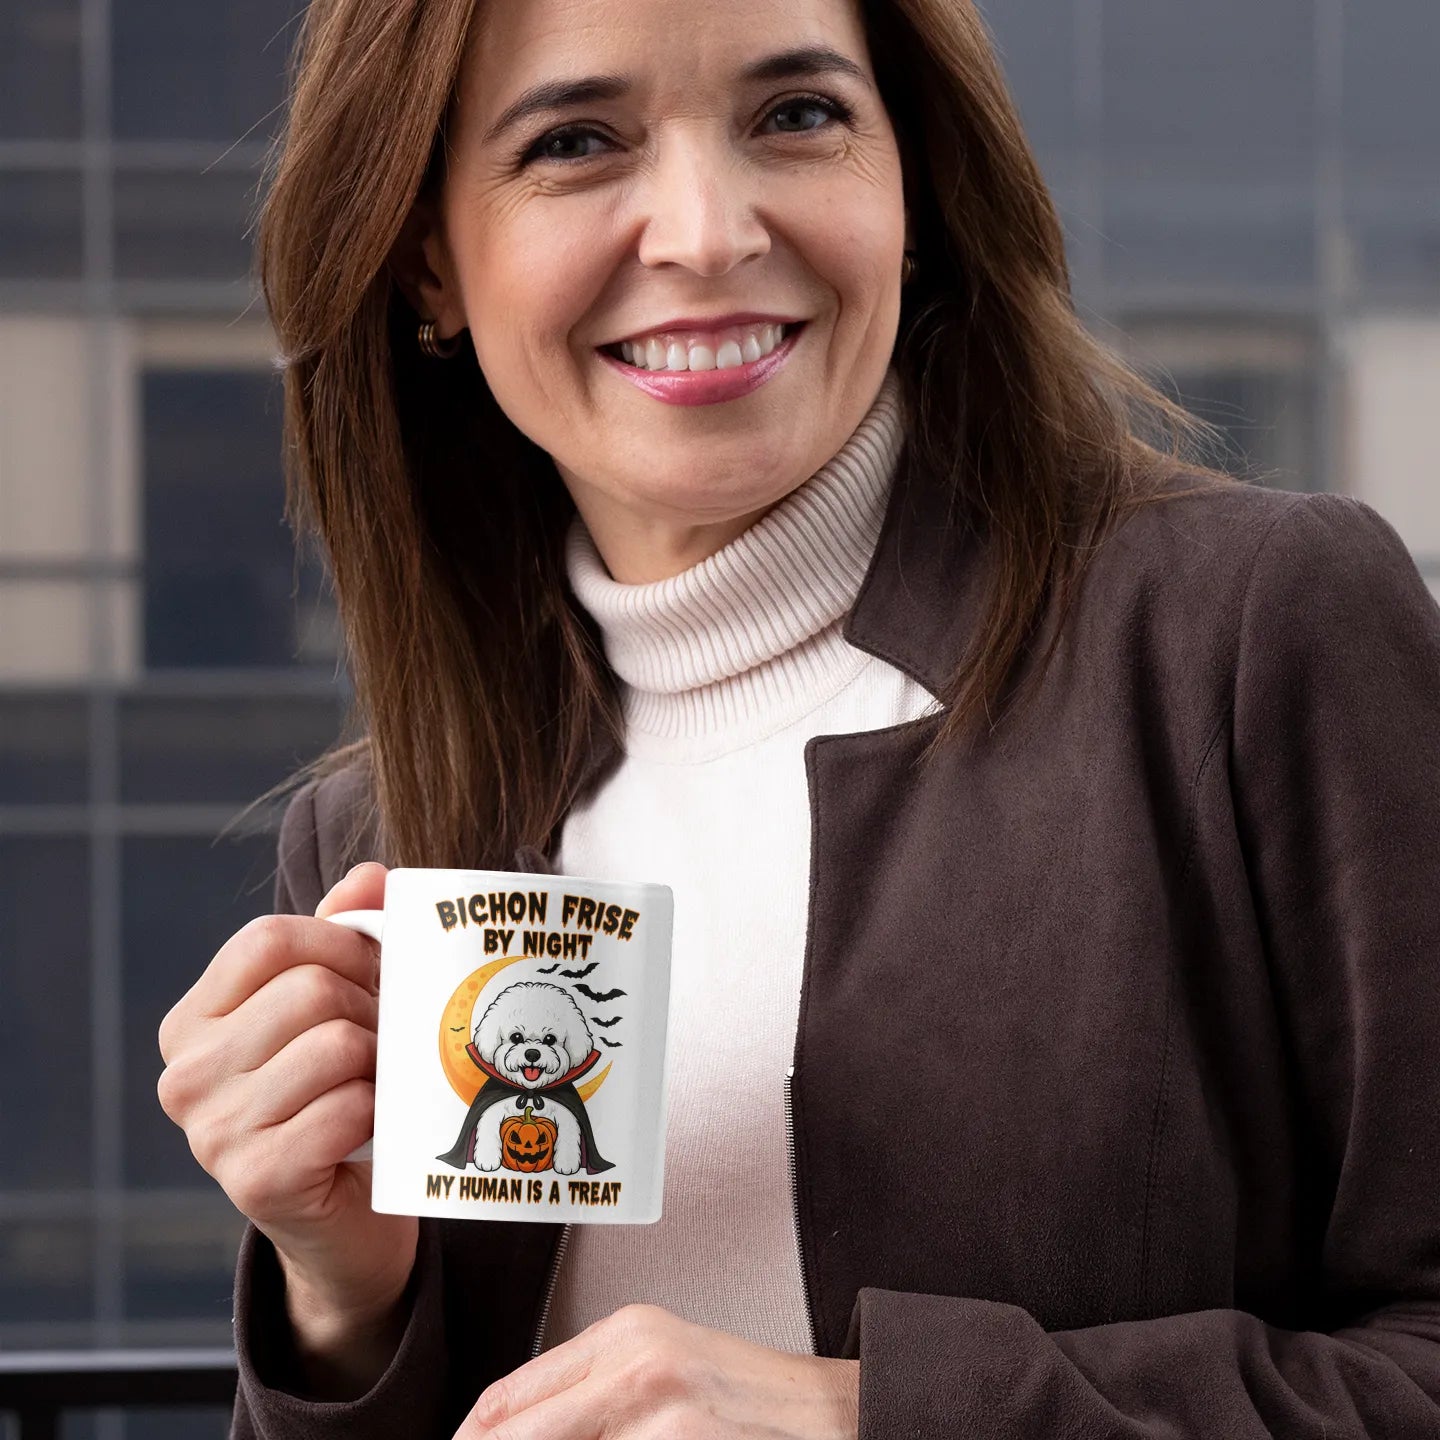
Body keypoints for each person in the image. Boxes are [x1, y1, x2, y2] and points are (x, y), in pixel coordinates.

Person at [155, 0, 1440, 1434]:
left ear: (915, 190)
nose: (705, 233)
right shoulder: (385, 834)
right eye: (575, 142)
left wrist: (862, 1415)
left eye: (798, 115)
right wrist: (341, 1299)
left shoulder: (1255, 630)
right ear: (427, 265)